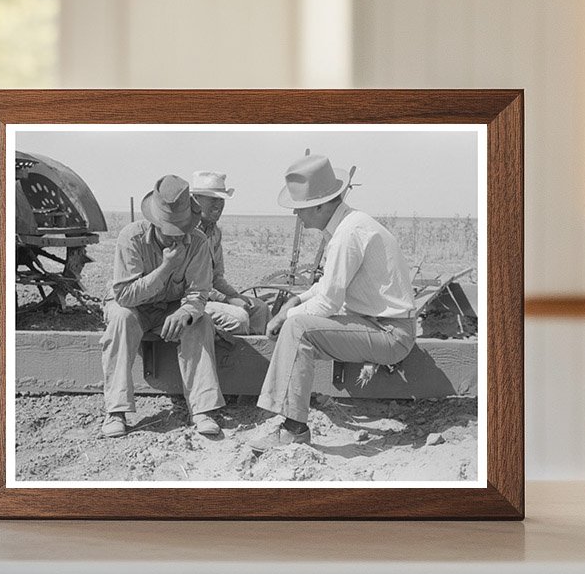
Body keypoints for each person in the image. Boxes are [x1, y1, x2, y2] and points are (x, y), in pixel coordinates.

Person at [252, 153, 417, 453]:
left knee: (298, 328)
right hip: (378, 324)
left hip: (390, 334)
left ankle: (293, 429)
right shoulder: (350, 226)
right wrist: (296, 300)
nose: (296, 215)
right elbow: (326, 286)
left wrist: (284, 317)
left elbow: (328, 303)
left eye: (299, 208)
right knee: (296, 318)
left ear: (318, 205)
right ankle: (287, 415)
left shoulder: (348, 235)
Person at [100, 174, 225, 439]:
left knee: (200, 322)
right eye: (169, 231)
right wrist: (165, 267)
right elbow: (124, 295)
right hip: (134, 308)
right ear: (155, 222)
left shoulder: (199, 242)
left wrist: (185, 312)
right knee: (121, 318)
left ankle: (203, 410)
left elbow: (198, 293)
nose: (176, 238)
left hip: (170, 308)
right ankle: (116, 411)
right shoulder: (131, 238)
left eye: (182, 230)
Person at [191, 170, 270, 337]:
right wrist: (227, 300)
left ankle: (252, 359)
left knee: (259, 308)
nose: (218, 204)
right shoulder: (188, 233)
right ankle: (228, 359)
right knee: (239, 317)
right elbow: (192, 284)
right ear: (196, 200)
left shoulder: (214, 233)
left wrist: (235, 296)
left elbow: (216, 277)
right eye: (213, 199)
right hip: (191, 299)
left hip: (209, 295)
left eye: (221, 199)